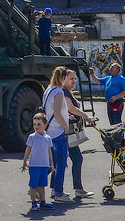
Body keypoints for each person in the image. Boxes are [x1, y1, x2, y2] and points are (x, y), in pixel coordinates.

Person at [61, 67, 98, 198]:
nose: (74, 81)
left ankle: (78, 188)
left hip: (68, 132)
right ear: (63, 79)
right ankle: (37, 187)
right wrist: (86, 116)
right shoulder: (63, 92)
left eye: (75, 78)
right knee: (68, 160)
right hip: (66, 132)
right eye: (71, 78)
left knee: (64, 160)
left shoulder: (67, 92)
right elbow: (71, 108)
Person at [42, 66, 73, 204]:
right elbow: (57, 113)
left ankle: (53, 189)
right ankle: (58, 193)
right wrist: (66, 126)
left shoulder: (48, 90)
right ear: (64, 77)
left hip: (50, 130)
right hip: (59, 130)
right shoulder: (59, 92)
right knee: (61, 163)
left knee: (53, 162)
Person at [22, 112, 55, 211]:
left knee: (42, 186)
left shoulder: (48, 138)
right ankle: (33, 203)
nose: (36, 126)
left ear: (45, 125)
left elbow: (49, 151)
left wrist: (51, 164)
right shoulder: (32, 137)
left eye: (39, 124)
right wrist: (24, 162)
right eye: (34, 124)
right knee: (33, 185)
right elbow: (28, 149)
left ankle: (43, 202)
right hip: (34, 165)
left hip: (44, 165)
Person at [100, 62, 125, 127]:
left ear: (117, 70)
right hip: (109, 102)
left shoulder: (121, 78)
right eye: (110, 67)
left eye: (113, 67)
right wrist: (92, 74)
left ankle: (119, 135)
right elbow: (97, 81)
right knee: (112, 121)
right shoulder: (108, 78)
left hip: (117, 102)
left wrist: (115, 97)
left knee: (116, 121)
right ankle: (114, 135)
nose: (110, 68)